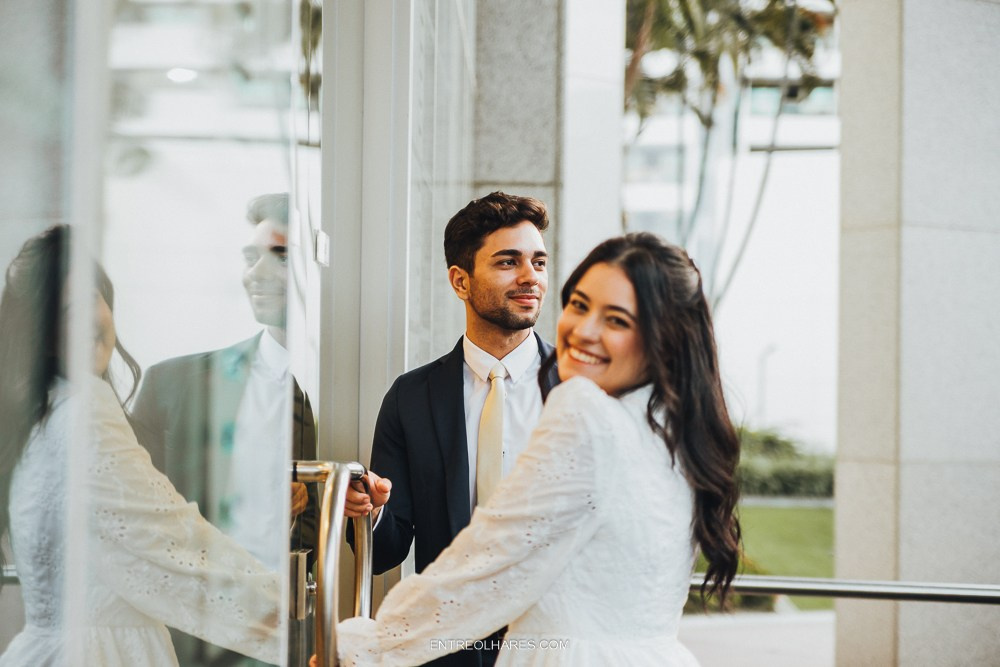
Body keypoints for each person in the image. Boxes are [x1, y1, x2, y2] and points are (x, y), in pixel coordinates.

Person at [334, 233, 742, 666]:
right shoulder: (674, 426)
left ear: (665, 337)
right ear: (460, 280)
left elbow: (489, 565)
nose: (584, 330)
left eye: (617, 320)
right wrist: (369, 511)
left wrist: (362, 649)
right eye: (580, 305)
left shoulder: (582, 406)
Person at [0, 225, 281, 666]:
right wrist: (293, 614)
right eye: (64, 313)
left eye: (91, 299)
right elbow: (172, 539)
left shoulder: (40, 415)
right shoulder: (83, 410)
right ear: (40, 336)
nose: (87, 321)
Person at [344, 192, 560, 667]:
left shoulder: (580, 390)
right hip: (449, 651)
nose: (531, 277)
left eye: (539, 262)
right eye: (509, 262)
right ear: (460, 281)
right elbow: (386, 551)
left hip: (558, 643)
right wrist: (369, 513)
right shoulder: (410, 398)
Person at [131, 192, 317, 665]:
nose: (256, 273)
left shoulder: (359, 395)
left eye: (281, 255)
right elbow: (137, 527)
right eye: (251, 257)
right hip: (190, 644)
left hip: (308, 641)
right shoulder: (170, 386)